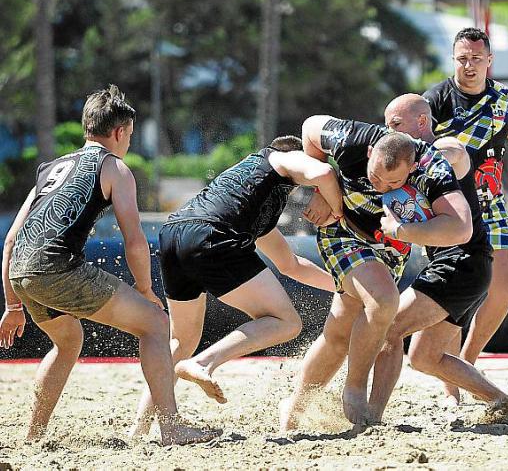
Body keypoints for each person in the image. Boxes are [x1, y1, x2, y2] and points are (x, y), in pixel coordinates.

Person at [0, 85, 214, 445]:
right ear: (119, 132)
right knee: (156, 324)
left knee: (68, 340)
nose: (128, 143)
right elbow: (134, 240)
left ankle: (34, 435)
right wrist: (145, 290)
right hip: (57, 267)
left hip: (22, 271)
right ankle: (171, 427)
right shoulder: (114, 167)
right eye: (129, 136)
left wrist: (12, 305)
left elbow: (10, 241)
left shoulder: (50, 169)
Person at [131, 135, 343, 436]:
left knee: (181, 340)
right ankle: (204, 362)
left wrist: (341, 285)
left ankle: (145, 427)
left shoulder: (254, 195)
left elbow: (291, 265)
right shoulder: (279, 157)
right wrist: (335, 209)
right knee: (287, 322)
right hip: (211, 236)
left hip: (174, 234)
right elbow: (324, 172)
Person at [279, 115, 473, 430]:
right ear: (370, 154)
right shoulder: (351, 139)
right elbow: (310, 128)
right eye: (375, 176)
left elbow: (462, 228)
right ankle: (355, 389)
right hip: (342, 232)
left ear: (412, 168)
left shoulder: (432, 168)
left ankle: (294, 409)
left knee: (340, 334)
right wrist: (319, 187)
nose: (379, 185)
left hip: (391, 246)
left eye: (392, 184)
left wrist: (404, 231)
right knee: (384, 300)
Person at [423, 27, 508, 404]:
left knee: (504, 289)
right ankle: (451, 382)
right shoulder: (435, 100)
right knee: (455, 295)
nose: (469, 65)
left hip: (491, 204)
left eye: (476, 58)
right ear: (453, 59)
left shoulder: (506, 101)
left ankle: (467, 361)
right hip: (448, 208)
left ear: (489, 60)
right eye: (462, 58)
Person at [368, 94, 508, 421]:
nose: (389, 132)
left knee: (387, 327)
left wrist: (401, 229)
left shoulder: (440, 150)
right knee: (424, 358)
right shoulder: (401, 167)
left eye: (396, 124)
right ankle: (503, 401)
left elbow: (456, 152)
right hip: (466, 267)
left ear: (421, 122)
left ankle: (371, 415)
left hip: (461, 263)